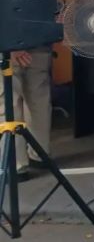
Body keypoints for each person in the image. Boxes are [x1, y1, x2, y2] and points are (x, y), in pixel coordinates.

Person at [1, 47, 52, 180]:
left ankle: (16, 165)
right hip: (39, 40)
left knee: (8, 100)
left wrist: (10, 48)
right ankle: (41, 154)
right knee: (39, 98)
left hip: (7, 44)